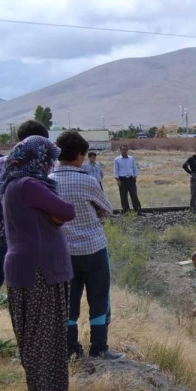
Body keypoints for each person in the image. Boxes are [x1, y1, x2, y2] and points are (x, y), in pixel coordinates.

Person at [3, 136, 76, 391]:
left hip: (27, 266)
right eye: (49, 159)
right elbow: (66, 210)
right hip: (40, 268)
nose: (51, 164)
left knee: (35, 331)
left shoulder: (12, 183)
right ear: (38, 159)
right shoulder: (30, 185)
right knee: (43, 332)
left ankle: (45, 388)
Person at [0, 119, 49, 339]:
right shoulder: (44, 165)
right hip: (36, 234)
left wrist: (2, 230)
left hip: (11, 233)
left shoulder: (0, 164)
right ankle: (38, 331)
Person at [50, 131, 118, 360]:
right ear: (79, 154)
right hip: (93, 248)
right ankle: (99, 348)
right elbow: (107, 209)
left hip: (63, 251)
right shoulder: (87, 180)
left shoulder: (47, 181)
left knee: (69, 300)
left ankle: (71, 348)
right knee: (98, 298)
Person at [112, 145, 141, 214]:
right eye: (123, 150)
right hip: (122, 180)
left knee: (134, 195)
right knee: (123, 196)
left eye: (125, 150)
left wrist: (135, 176)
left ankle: (137, 211)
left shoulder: (131, 158)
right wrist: (118, 180)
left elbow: (134, 168)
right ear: (120, 150)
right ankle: (126, 211)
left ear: (127, 150)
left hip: (131, 180)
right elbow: (116, 170)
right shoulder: (117, 159)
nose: (124, 151)